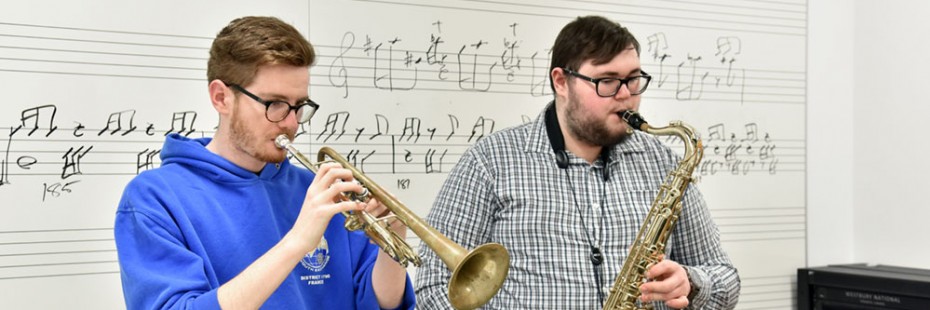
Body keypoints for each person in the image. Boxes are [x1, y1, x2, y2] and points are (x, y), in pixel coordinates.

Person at [414, 15, 740, 309]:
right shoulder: (491, 162)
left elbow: (725, 279)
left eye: (634, 78)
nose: (626, 94)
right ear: (561, 81)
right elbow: (433, 288)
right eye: (607, 80)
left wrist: (690, 283)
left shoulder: (662, 162)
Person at [114, 16, 415, 309]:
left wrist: (393, 242)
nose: (292, 123)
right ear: (221, 97)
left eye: (299, 106)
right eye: (275, 104)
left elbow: (377, 302)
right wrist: (297, 241)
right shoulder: (154, 198)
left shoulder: (319, 192)